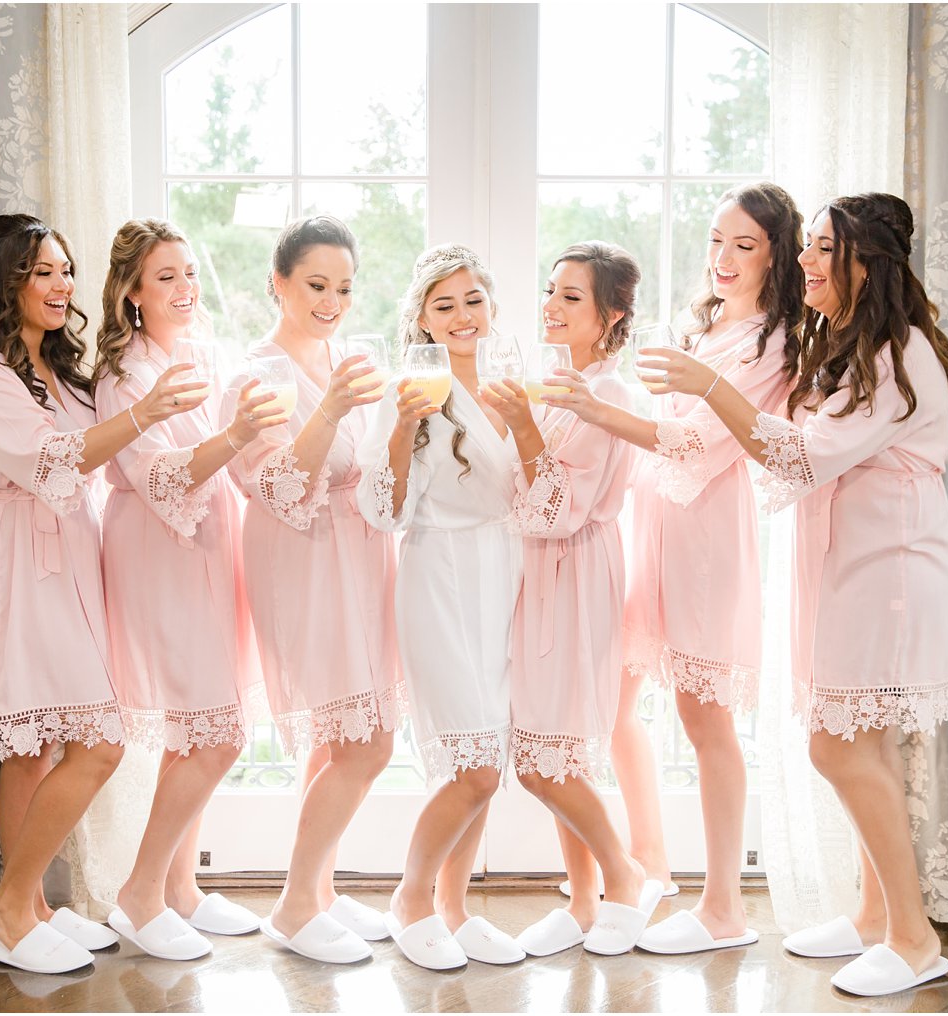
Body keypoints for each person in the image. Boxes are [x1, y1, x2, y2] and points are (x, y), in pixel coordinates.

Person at [637, 192, 948, 996]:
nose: (804, 263)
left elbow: (796, 457)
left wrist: (711, 389)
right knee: (868, 741)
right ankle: (871, 916)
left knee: (837, 745)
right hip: (850, 565)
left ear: (865, 263)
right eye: (808, 247)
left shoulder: (896, 354)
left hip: (885, 573)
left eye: (821, 249)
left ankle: (915, 939)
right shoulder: (859, 343)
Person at [0, 213, 202, 973]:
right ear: (6, 283)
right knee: (87, 740)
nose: (60, 286)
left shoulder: (62, 371)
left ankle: (32, 907)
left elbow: (93, 462)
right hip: (18, 564)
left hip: (71, 556)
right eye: (40, 273)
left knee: (44, 742)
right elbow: (52, 459)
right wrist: (143, 414)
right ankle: (8, 904)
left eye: (64, 271)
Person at [557, 183, 806, 954]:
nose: (723, 259)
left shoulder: (771, 342)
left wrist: (598, 410)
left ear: (776, 256)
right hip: (651, 526)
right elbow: (663, 430)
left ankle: (724, 908)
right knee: (612, 701)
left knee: (706, 721)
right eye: (716, 240)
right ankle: (651, 862)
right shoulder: (706, 327)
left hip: (706, 545)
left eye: (745, 246)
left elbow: (697, 442)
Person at [92, 218, 280, 961]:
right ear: (132, 293)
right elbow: (161, 477)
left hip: (208, 549)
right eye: (165, 277)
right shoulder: (125, 377)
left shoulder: (199, 355)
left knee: (197, 725)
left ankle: (180, 890)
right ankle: (138, 895)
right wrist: (232, 437)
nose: (184, 289)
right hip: (158, 553)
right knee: (217, 731)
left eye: (189, 274)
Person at [481, 243, 661, 957]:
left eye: (571, 297)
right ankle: (584, 899)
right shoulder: (559, 380)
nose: (550, 306)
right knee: (554, 747)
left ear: (612, 313)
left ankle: (623, 879)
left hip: (575, 572)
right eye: (550, 291)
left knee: (545, 753)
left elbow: (557, 509)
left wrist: (522, 427)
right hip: (536, 573)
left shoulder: (608, 395)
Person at [226, 216, 398, 964]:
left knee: (340, 733)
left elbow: (373, 468)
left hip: (358, 555)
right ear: (279, 282)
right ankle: (294, 906)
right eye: (316, 285)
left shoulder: (351, 358)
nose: (332, 301)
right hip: (302, 556)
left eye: (344, 288)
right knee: (368, 741)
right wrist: (329, 407)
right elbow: (273, 486)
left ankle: (319, 891)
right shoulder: (254, 376)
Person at [354, 244, 526, 971]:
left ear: (491, 306)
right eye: (444, 304)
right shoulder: (411, 393)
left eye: (473, 300)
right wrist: (398, 427)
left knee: (492, 752)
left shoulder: (515, 384)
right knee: (472, 765)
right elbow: (380, 511)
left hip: (503, 573)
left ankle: (454, 908)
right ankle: (412, 899)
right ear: (422, 318)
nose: (462, 316)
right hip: (439, 576)